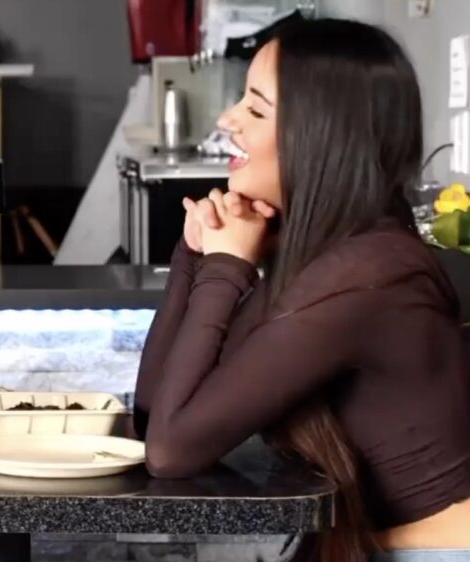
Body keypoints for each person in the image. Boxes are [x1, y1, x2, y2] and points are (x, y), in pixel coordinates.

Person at [132, 18, 470, 562]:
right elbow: (156, 420)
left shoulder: (367, 275)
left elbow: (171, 449)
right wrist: (195, 257)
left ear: (320, 136)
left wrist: (225, 265)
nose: (227, 120)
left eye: (256, 110)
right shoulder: (329, 255)